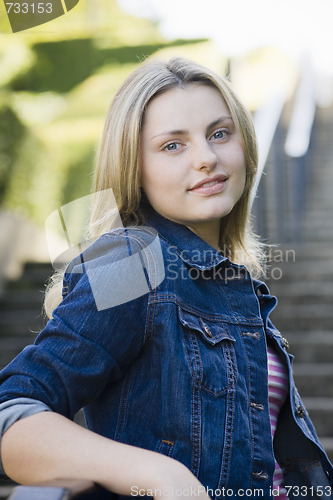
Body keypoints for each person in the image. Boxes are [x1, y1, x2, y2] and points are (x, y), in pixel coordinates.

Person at [0, 56, 332, 500]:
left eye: (219, 133)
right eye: (172, 145)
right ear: (134, 168)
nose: (207, 158)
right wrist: (157, 474)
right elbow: (13, 410)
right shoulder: (134, 261)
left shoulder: (241, 288)